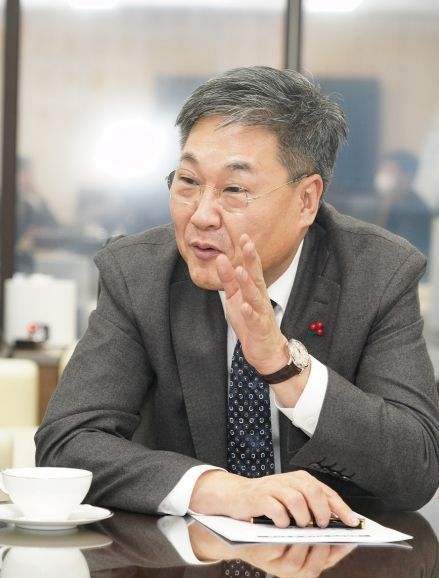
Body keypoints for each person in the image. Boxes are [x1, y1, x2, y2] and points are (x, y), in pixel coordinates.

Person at [35, 66, 439, 529]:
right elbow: (66, 444)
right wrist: (218, 489)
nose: (201, 215)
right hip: (177, 554)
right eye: (188, 181)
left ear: (307, 200)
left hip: (335, 556)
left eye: (234, 189)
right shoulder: (139, 274)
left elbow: (417, 469)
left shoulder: (378, 273)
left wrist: (284, 366)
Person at [374, 150, 431, 259]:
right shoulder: (391, 202)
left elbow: (398, 248)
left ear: (407, 175)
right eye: (382, 170)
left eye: (390, 171)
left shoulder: (416, 209)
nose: (383, 176)